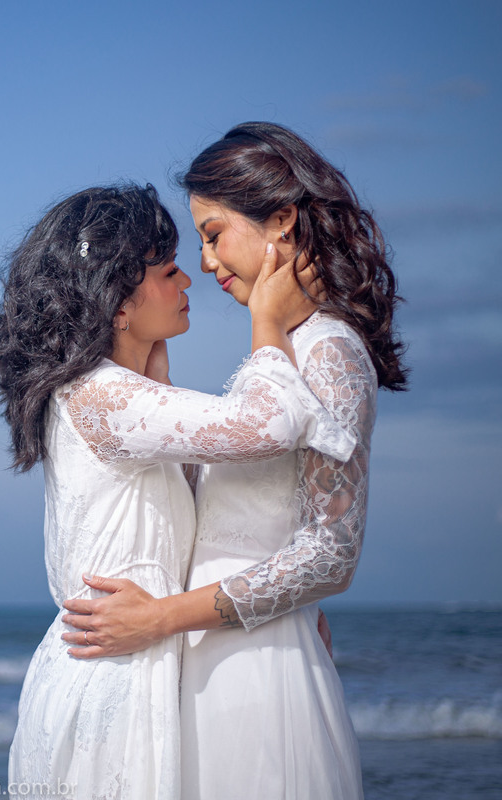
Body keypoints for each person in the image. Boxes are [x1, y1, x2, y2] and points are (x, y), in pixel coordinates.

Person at [0, 183, 355, 799]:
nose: (190, 281)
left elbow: (200, 516)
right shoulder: (97, 394)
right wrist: (268, 322)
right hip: (114, 686)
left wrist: (283, 601)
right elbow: (272, 425)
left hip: (142, 667)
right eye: (169, 269)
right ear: (116, 302)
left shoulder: (116, 394)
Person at [61, 122, 407, 799]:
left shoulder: (327, 350)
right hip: (208, 658)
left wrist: (162, 618)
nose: (209, 264)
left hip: (256, 670)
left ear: (281, 219)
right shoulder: (278, 354)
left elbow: (332, 553)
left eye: (215, 235)